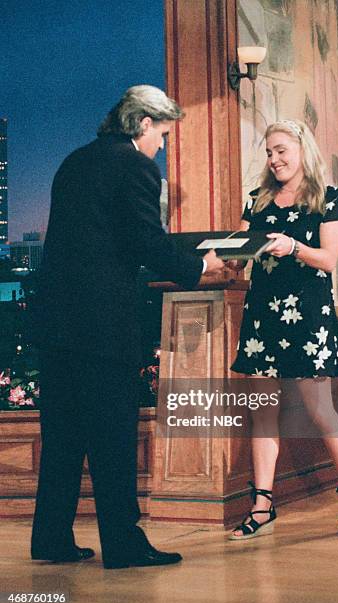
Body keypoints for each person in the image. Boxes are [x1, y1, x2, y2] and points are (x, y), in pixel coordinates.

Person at [30, 85, 224, 569]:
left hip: (55, 324)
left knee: (63, 437)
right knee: (113, 436)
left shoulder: (73, 161)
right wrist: (201, 269)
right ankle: (122, 543)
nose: (162, 144)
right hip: (101, 325)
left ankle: (51, 539)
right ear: (142, 124)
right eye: (162, 132)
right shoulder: (135, 164)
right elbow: (144, 240)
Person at [228, 119, 338, 540]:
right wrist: (226, 256)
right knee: (263, 415)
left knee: (320, 410)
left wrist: (294, 247)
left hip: (307, 317)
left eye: (281, 150)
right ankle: (262, 505)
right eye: (269, 152)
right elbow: (241, 257)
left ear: (303, 148)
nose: (274, 160)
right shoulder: (257, 201)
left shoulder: (329, 198)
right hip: (262, 318)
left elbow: (328, 260)